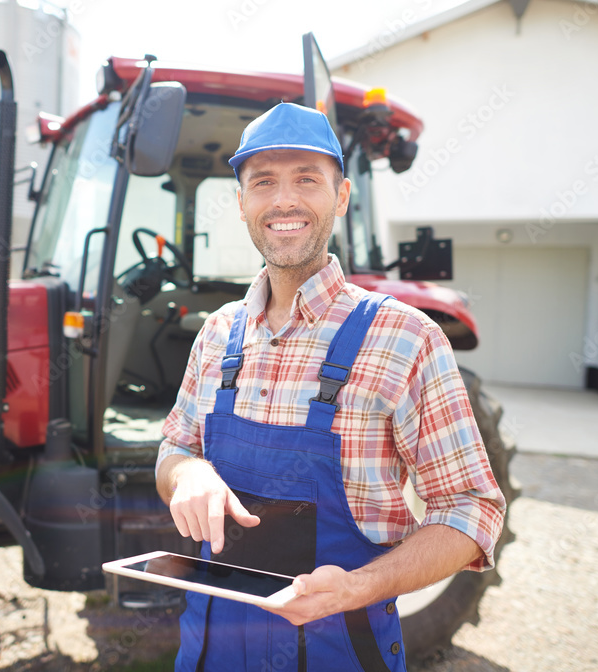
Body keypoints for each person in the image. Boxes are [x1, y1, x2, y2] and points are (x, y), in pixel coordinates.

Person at [155, 102, 506, 672]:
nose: (284, 200)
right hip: (209, 650)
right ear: (241, 202)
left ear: (340, 197)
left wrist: (357, 587)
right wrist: (188, 473)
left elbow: (472, 510)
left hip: (337, 649)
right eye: (263, 181)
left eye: (307, 180)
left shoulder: (406, 338)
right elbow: (175, 449)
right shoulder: (217, 334)